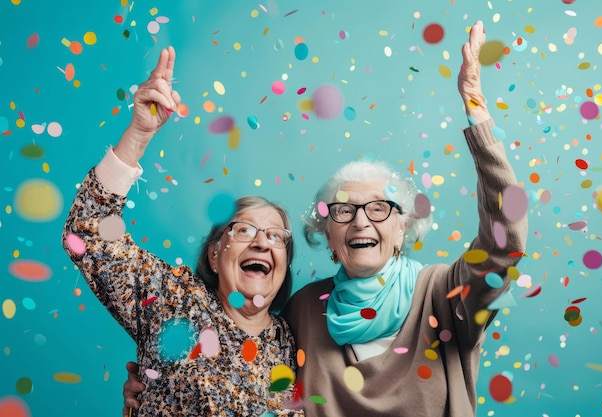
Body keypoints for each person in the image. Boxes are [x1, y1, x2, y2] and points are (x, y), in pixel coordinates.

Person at [122, 20, 529, 416]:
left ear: (402, 226)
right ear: (328, 236)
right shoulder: (304, 311)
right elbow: (245, 370)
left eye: (379, 208)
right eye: (344, 211)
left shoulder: (442, 291)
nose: (360, 222)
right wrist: (160, 381)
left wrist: (476, 108)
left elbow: (503, 246)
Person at [62, 46, 304, 416]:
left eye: (275, 236)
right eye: (244, 230)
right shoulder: (175, 301)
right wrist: (139, 136)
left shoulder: (296, 344)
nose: (261, 241)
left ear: (286, 261)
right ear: (214, 253)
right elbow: (89, 232)